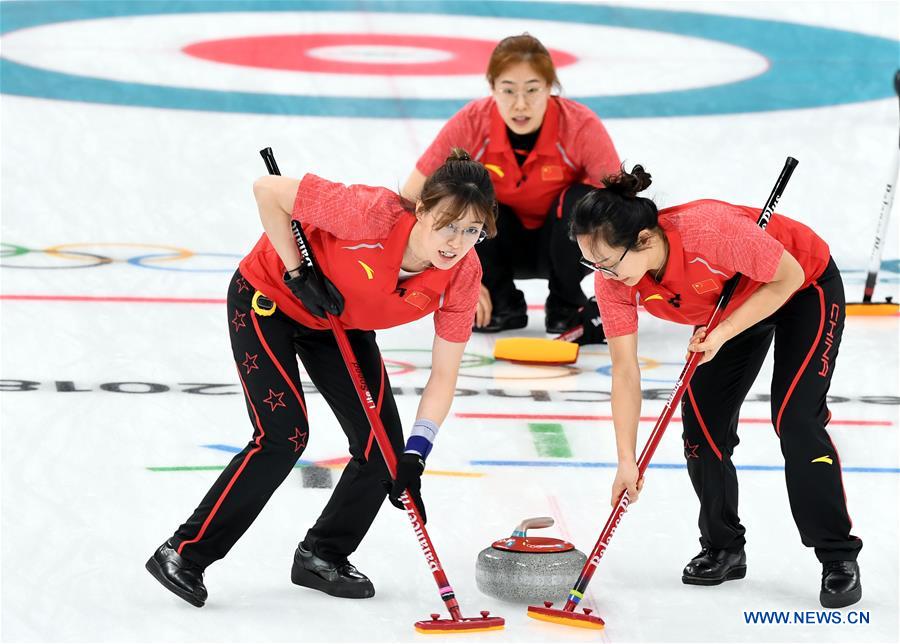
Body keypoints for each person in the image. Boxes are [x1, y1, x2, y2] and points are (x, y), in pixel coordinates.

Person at [146, 149, 497, 607]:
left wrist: (417, 454)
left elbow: (444, 375)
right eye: (447, 224)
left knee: (385, 454)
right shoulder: (371, 213)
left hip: (338, 323)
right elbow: (268, 191)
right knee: (283, 436)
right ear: (422, 209)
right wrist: (297, 274)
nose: (456, 242)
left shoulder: (464, 274)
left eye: (472, 230)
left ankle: (322, 555)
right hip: (269, 299)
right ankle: (184, 553)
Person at [571, 165, 862, 608]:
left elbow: (785, 278)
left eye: (609, 262)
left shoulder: (710, 232)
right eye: (594, 264)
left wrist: (723, 332)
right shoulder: (613, 281)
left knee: (796, 419)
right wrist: (626, 460)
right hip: (729, 307)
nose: (604, 275)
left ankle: (837, 555)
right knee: (702, 431)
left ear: (645, 239)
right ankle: (723, 547)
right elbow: (625, 370)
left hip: (803, 286)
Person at [402, 34, 619, 341]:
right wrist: (453, 275)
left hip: (568, 247)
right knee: (471, 197)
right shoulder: (471, 123)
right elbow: (411, 200)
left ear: (550, 87)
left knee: (586, 201)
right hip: (495, 245)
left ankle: (567, 304)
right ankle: (500, 301)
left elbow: (622, 212)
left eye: (532, 89)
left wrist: (617, 295)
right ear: (492, 88)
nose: (520, 104)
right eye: (508, 90)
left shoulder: (580, 126)